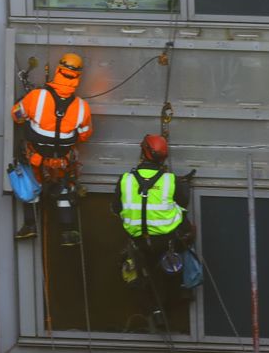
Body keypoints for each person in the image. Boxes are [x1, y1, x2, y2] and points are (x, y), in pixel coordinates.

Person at [112, 134, 195, 330]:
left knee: (143, 276)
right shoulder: (171, 181)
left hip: (139, 242)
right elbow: (183, 202)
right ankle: (181, 291)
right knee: (184, 236)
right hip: (166, 241)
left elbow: (116, 208)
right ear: (163, 158)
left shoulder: (125, 180)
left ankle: (156, 311)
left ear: (143, 153)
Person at [11, 52, 93, 246]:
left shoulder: (36, 97)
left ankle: (30, 226)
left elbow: (17, 115)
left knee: (30, 187)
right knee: (64, 190)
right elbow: (84, 134)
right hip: (62, 164)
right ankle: (68, 232)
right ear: (78, 77)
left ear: (58, 71)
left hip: (35, 159)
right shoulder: (82, 107)